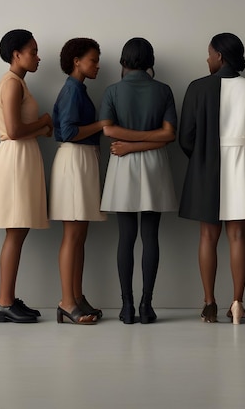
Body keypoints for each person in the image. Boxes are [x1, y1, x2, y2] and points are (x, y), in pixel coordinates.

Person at [178, 33, 245, 324]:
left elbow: (186, 138)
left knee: (208, 236)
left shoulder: (197, 87)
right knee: (238, 236)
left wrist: (205, 155)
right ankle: (237, 303)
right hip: (243, 164)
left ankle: (209, 303)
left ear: (219, 55)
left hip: (207, 164)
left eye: (209, 54)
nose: (207, 59)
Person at [100, 37, 177, 324]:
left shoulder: (112, 91)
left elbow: (109, 131)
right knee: (151, 236)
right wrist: (149, 138)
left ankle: (126, 306)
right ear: (150, 61)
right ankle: (147, 305)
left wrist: (129, 145)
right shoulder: (164, 90)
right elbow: (168, 134)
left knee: (126, 238)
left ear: (123, 61)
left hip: (122, 163)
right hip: (155, 165)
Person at [0, 30, 52, 323]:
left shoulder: (17, 82)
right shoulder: (12, 83)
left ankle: (7, 300)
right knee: (14, 231)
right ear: (16, 54)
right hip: (15, 158)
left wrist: (39, 128)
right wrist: (43, 123)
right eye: (33, 51)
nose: (38, 57)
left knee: (18, 230)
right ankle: (4, 302)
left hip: (21, 157)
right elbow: (13, 130)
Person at [49, 38, 111, 325]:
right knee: (72, 235)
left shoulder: (78, 89)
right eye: (93, 60)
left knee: (80, 235)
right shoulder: (72, 89)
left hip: (82, 160)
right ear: (77, 61)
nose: (97, 65)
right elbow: (68, 131)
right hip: (74, 160)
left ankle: (76, 295)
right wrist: (101, 124)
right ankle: (66, 301)